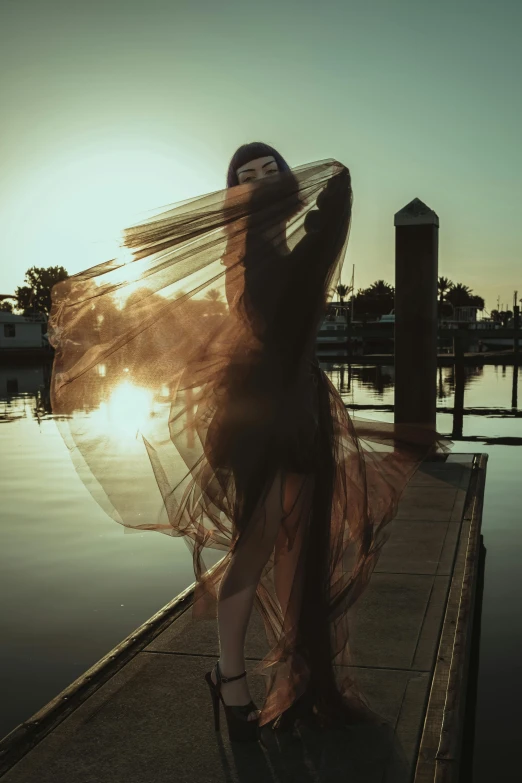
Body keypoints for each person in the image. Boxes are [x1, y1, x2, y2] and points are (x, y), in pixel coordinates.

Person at [48, 141, 452, 745]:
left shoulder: (282, 244)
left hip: (304, 410)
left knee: (297, 552)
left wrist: (331, 198)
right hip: (260, 420)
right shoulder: (249, 255)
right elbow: (274, 316)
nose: (260, 182)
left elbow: (323, 233)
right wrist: (333, 195)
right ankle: (229, 678)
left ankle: (296, 681)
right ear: (235, 192)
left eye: (271, 171)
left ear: (288, 184)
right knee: (257, 548)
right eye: (247, 175)